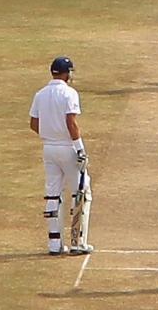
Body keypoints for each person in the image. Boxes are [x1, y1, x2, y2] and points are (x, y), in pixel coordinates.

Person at [29, 57, 93, 255]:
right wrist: (79, 148)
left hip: (49, 148)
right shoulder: (69, 93)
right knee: (81, 192)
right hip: (68, 148)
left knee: (53, 193)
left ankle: (54, 244)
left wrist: (50, 134)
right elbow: (71, 122)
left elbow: (33, 123)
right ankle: (77, 242)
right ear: (67, 73)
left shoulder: (40, 94)